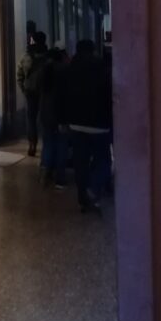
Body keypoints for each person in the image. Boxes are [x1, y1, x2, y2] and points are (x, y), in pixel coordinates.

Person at [62, 39, 112, 213]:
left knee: (80, 163)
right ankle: (94, 188)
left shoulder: (70, 69)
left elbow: (64, 96)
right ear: (93, 50)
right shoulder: (102, 68)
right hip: (99, 123)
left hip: (76, 123)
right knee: (103, 160)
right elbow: (109, 94)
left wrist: (64, 120)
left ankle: (83, 199)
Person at [38, 45, 68, 187]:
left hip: (45, 114)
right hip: (61, 114)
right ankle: (60, 179)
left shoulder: (44, 72)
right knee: (62, 145)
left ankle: (44, 174)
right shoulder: (63, 71)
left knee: (48, 144)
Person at [17, 30, 48, 156]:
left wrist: (24, 89)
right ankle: (47, 146)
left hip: (30, 92)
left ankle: (32, 144)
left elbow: (19, 75)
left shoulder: (26, 57)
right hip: (45, 92)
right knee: (44, 118)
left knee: (31, 119)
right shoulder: (47, 57)